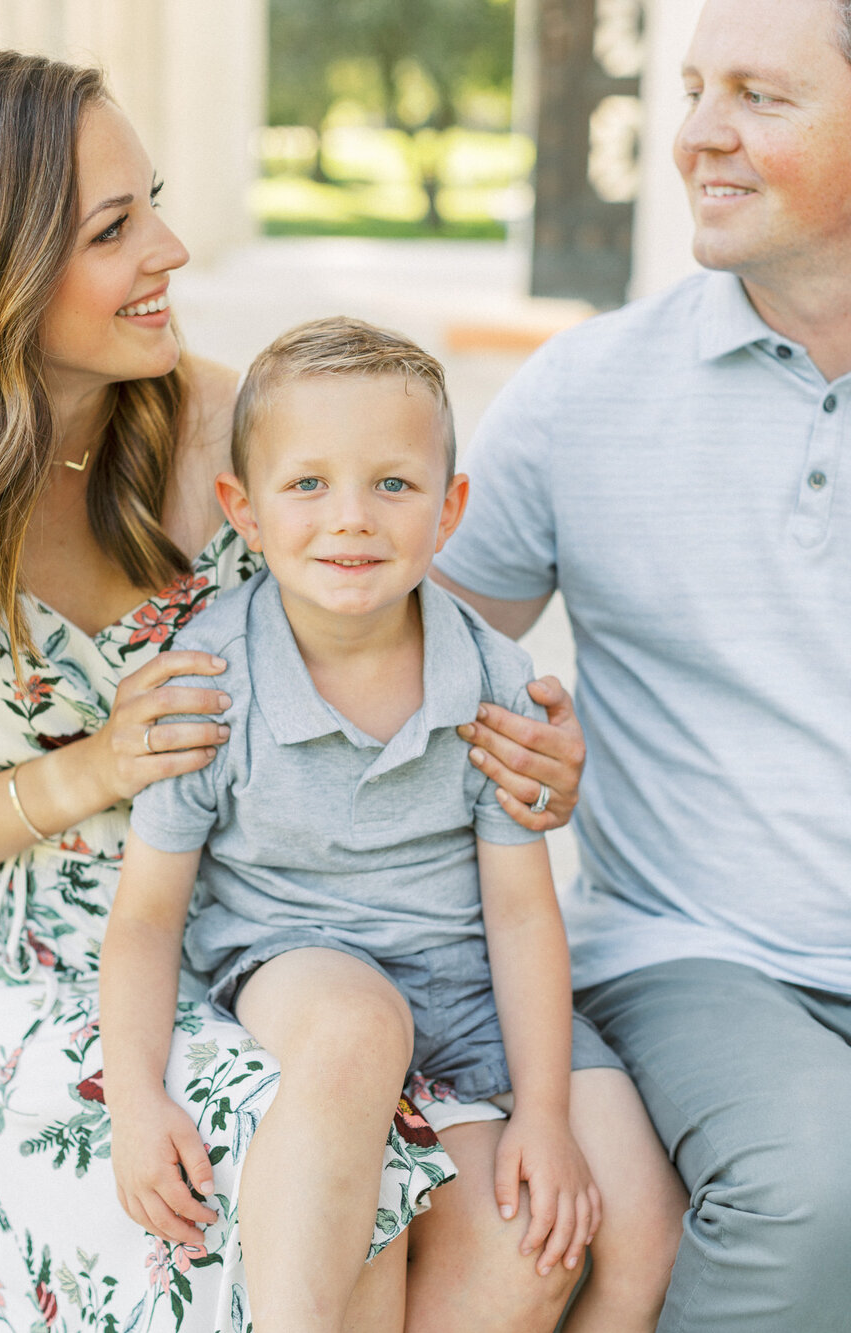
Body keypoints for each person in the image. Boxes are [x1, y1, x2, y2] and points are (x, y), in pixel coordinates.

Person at [0, 50, 581, 1333]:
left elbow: (416, 650)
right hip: (44, 978)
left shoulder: (244, 436)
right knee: (260, 1233)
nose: (172, 249)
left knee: (521, 1251)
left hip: (282, 934)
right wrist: (81, 773)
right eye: (114, 228)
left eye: (156, 202)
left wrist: (519, 750)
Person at [102, 317, 685, 1333]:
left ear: (449, 509)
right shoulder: (210, 682)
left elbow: (519, 914)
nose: (351, 520)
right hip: (300, 957)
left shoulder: (491, 683)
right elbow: (148, 917)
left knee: (640, 1218)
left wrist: (542, 1115)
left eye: (393, 484)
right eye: (308, 484)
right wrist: (133, 1100)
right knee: (361, 1027)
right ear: (241, 507)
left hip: (469, 990)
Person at [432, 0, 851, 1328]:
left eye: (760, 98)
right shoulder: (587, 391)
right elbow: (406, 656)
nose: (697, 137)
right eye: (692, 89)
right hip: (701, 952)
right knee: (809, 1189)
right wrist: (513, 741)